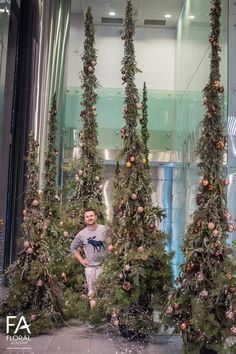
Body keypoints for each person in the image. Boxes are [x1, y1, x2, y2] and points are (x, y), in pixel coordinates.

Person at [70, 208, 108, 309]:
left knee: (108, 290)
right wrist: (81, 260)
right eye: (87, 217)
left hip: (105, 266)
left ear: (95, 217)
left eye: (91, 216)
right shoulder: (81, 234)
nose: (89, 218)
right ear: (84, 219)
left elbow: (115, 241)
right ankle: (94, 317)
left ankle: (111, 317)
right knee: (92, 292)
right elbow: (73, 248)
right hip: (90, 267)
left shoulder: (105, 229)